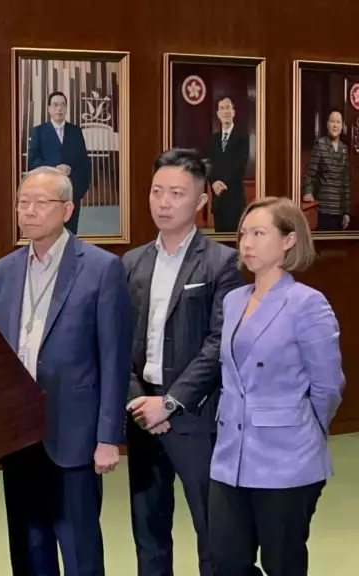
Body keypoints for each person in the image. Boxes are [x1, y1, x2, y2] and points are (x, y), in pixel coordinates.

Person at [0, 165, 133, 576]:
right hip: (19, 434)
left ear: (67, 209)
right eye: (23, 202)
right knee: (29, 551)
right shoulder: (2, 272)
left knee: (80, 550)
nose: (29, 211)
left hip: (75, 433)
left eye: (40, 202)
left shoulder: (101, 268)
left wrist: (108, 437)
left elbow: (114, 358)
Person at [208, 197, 345, 576]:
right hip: (230, 456)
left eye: (259, 233)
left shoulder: (307, 304)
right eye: (243, 234)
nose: (246, 243)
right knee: (226, 560)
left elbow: (328, 385)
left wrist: (303, 428)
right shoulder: (233, 301)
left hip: (287, 458)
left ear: (288, 240)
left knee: (282, 562)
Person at [126, 149, 244, 576]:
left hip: (194, 416)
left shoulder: (222, 262)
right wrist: (140, 401)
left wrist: (171, 402)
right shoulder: (132, 262)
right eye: (157, 191)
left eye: (177, 193)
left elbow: (219, 343)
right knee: (148, 533)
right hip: (142, 415)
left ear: (200, 201)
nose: (164, 202)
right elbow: (119, 341)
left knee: (211, 533)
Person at [27, 91, 92, 234]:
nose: (59, 109)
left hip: (72, 194)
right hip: (47, 194)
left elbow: (84, 163)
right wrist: (55, 169)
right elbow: (33, 162)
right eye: (55, 105)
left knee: (70, 234)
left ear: (66, 108)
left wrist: (79, 191)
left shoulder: (75, 131)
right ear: (49, 109)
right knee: (49, 233)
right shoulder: (39, 131)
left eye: (63, 105)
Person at [302, 109, 351, 231]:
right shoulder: (320, 144)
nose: (335, 125)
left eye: (338, 122)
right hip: (323, 209)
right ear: (327, 124)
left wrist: (347, 212)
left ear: (342, 126)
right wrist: (308, 192)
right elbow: (310, 175)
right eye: (332, 121)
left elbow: (345, 182)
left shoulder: (344, 148)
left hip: (339, 210)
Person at [206, 97, 249, 233]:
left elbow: (240, 165)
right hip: (218, 202)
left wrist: (222, 183)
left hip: (235, 201)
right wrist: (214, 183)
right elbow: (210, 165)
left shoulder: (242, 137)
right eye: (222, 108)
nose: (225, 111)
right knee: (220, 242)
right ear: (218, 114)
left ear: (233, 112)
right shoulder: (213, 139)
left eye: (228, 108)